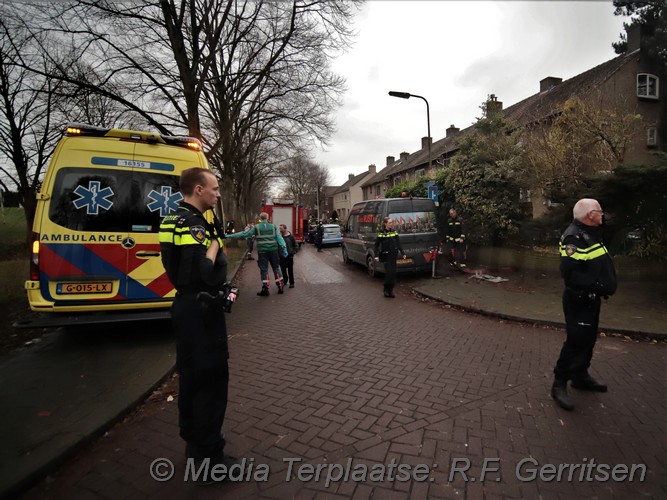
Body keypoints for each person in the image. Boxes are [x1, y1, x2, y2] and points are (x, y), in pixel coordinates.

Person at [158, 168, 237, 471]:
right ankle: (211, 459)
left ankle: (195, 447)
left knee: (192, 379)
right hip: (202, 311)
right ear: (199, 189)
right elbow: (200, 273)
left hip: (187, 308)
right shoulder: (193, 225)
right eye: (215, 189)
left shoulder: (172, 218)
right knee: (211, 382)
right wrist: (215, 246)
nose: (218, 194)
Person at [551, 198, 617, 411]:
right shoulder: (574, 237)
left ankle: (580, 375)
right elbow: (570, 274)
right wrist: (597, 285)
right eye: (599, 211)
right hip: (579, 299)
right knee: (575, 341)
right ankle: (559, 383)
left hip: (591, 299)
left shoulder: (591, 232)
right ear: (590, 215)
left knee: (588, 340)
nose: (602, 215)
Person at [227, 212, 287, 296]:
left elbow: (244, 233)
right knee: (276, 268)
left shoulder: (257, 227)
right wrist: (284, 248)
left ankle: (265, 288)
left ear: (260, 218)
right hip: (273, 251)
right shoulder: (274, 227)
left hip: (262, 252)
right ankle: (280, 286)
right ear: (268, 218)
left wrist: (228, 236)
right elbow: (279, 238)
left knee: (264, 269)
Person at [374, 217, 406, 298]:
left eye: (392, 222)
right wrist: (376, 255)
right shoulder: (381, 232)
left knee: (393, 273)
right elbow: (376, 244)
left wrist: (403, 253)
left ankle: (391, 290)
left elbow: (398, 243)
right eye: (390, 222)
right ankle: (386, 290)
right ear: (385, 223)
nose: (391, 224)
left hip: (393, 255)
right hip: (385, 255)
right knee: (389, 273)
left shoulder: (394, 232)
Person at [279, 224, 298, 288]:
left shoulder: (291, 237)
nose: (280, 230)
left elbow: (295, 245)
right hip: (282, 256)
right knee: (283, 270)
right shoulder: (279, 237)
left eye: (281, 229)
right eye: (280, 229)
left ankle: (292, 283)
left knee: (290, 269)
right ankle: (285, 280)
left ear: (285, 229)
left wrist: (293, 252)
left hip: (289, 256)